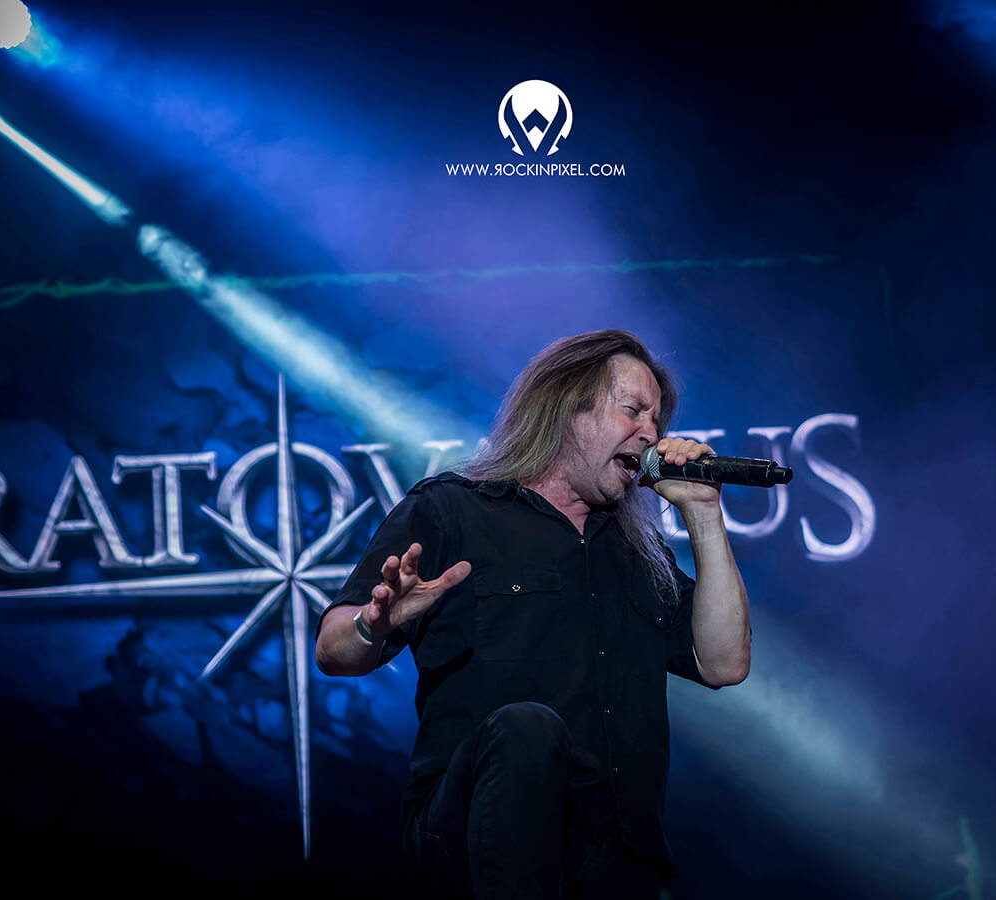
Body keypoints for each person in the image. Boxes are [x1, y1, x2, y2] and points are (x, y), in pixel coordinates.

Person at [315, 330, 750, 899]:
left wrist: (704, 511)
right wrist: (374, 624)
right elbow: (333, 650)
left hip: (614, 858)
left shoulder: (637, 553)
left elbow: (724, 663)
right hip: (472, 835)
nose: (652, 434)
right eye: (633, 410)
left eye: (658, 420)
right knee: (527, 730)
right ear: (569, 407)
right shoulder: (451, 509)